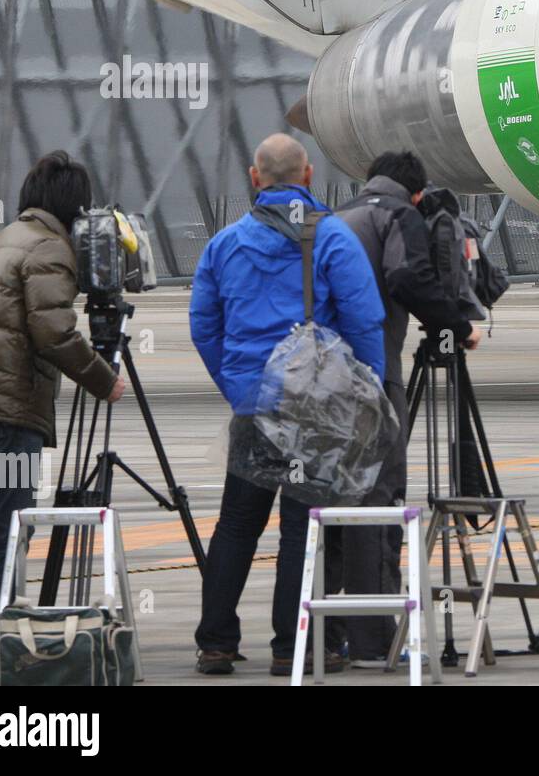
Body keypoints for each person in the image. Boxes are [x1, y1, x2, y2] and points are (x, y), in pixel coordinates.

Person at [189, 133, 388, 676]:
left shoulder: (224, 245)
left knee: (236, 524)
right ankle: (292, 645)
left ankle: (216, 642)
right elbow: (364, 321)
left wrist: (235, 386)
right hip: (312, 413)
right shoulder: (333, 240)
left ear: (255, 179)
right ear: (308, 177)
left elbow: (203, 326)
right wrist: (368, 393)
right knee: (301, 528)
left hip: (253, 406)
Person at [0, 151, 125, 670]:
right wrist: (105, 380)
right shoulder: (48, 249)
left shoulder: (7, 239)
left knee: (2, 519)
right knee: (8, 521)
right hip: (12, 410)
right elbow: (55, 333)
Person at [326, 150, 481, 665]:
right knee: (379, 493)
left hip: (323, 380)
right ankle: (374, 637)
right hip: (374, 375)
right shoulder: (399, 216)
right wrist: (457, 323)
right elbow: (407, 278)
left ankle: (328, 632)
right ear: (415, 193)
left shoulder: (337, 219)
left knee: (336, 497)